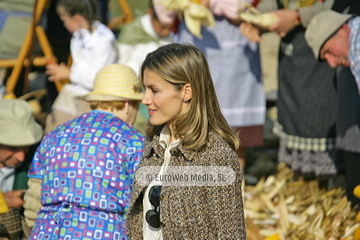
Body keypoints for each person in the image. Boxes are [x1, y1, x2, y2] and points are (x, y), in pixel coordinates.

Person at [127, 43, 246, 239]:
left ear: (186, 92)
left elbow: (230, 234)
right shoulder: (154, 145)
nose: (145, 99)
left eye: (154, 90)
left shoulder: (216, 157)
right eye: (145, 89)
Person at [24, 64, 144, 239]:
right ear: (127, 104)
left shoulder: (54, 136)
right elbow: (148, 202)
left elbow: (34, 198)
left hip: (47, 233)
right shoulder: (133, 142)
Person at [240, 0, 341, 182]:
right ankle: (303, 183)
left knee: (322, 115)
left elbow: (341, 5)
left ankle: (332, 185)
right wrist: (258, 19)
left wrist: (297, 17)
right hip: (291, 54)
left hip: (325, 51)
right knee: (295, 115)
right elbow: (273, 3)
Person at [173, 0, 266, 172]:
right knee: (191, 114)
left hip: (231, 34)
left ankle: (233, 187)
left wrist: (213, 3)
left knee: (233, 123)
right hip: (192, 35)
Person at [305, 10, 360, 204]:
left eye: (328, 51)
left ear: (343, 29)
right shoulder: (353, 43)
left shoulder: (357, 46)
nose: (331, 62)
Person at [44, 0, 118, 133]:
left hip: (93, 97)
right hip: (74, 91)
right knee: (55, 125)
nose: (64, 25)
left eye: (64, 21)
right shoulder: (78, 36)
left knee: (85, 131)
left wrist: (69, 74)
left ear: (77, 19)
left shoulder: (104, 41)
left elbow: (97, 80)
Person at [117, 0, 177, 134]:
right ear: (150, 13)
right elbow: (121, 63)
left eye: (170, 28)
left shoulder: (171, 36)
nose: (166, 31)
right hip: (135, 88)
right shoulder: (132, 32)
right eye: (162, 27)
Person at [0, 99, 42, 240]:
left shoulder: (36, 161)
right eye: (13, 147)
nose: (21, 157)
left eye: (26, 146)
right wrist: (3, 202)